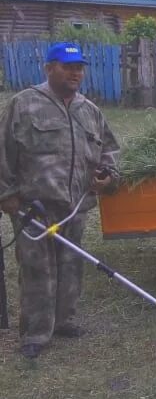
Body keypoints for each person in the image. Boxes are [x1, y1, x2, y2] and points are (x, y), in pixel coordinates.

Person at [0, 42, 119, 357]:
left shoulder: (89, 111)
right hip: (33, 207)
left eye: (79, 67)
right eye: (67, 66)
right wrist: (6, 194)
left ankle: (65, 320)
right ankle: (36, 335)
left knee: (70, 266)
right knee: (37, 269)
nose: (75, 73)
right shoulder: (23, 105)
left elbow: (109, 150)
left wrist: (108, 176)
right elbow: (2, 151)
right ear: (49, 68)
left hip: (75, 205)